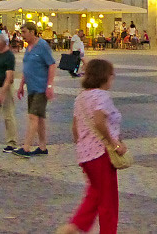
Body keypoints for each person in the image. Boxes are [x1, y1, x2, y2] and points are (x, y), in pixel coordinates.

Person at [57, 59, 124, 234]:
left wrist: (82, 149)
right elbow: (99, 120)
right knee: (108, 200)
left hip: (86, 154)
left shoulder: (80, 97)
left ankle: (75, 225)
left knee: (95, 193)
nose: (112, 79)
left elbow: (75, 127)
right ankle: (101, 230)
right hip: (101, 153)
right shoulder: (102, 95)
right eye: (111, 75)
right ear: (104, 77)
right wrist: (114, 143)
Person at [13, 22, 56, 159]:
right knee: (40, 118)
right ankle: (42, 147)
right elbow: (27, 67)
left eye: (24, 32)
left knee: (33, 116)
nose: (22, 35)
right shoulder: (28, 48)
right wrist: (21, 85)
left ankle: (26, 148)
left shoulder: (42, 46)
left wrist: (49, 86)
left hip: (40, 87)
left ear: (32, 32)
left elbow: (52, 65)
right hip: (31, 87)